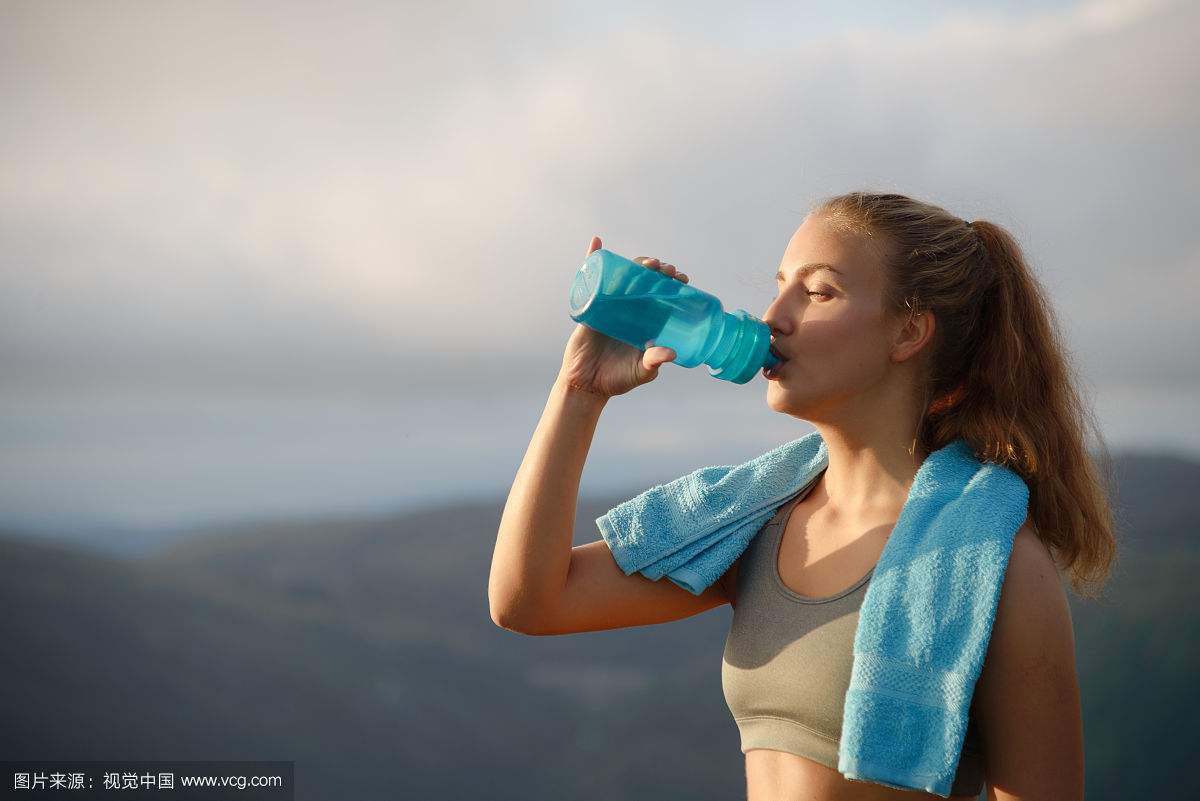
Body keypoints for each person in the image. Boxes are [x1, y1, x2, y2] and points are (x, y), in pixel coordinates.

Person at [489, 191, 1117, 801]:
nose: (773, 317)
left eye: (818, 292)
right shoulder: (753, 522)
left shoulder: (991, 563)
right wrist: (579, 390)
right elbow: (530, 602)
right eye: (779, 285)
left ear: (908, 333)